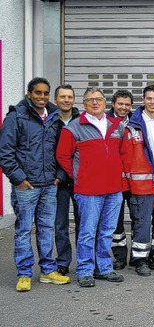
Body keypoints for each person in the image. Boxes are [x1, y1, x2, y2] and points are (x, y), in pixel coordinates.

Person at [0, 77, 71, 292]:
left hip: (50, 184)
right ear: (29, 93)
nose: (42, 97)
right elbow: (5, 152)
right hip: (27, 187)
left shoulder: (53, 117)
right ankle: (24, 274)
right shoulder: (16, 117)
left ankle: (48, 271)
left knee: (46, 229)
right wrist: (19, 179)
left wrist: (59, 174)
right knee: (23, 230)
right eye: (38, 93)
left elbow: (61, 150)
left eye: (45, 93)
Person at [56, 87, 126, 287]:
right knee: (87, 231)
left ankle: (103, 267)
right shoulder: (74, 127)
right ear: (84, 104)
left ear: (105, 103)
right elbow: (62, 156)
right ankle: (85, 270)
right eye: (90, 100)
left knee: (107, 231)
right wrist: (79, 175)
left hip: (113, 188)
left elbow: (122, 153)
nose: (95, 103)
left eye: (99, 99)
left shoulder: (117, 126)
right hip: (88, 190)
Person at [121, 85, 154, 276]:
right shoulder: (134, 124)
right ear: (143, 100)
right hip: (142, 181)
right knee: (142, 222)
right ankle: (140, 260)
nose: (152, 102)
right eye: (149, 98)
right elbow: (126, 158)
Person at [52, 84, 80, 276]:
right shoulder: (50, 121)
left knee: (83, 222)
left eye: (69, 97)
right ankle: (63, 261)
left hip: (79, 180)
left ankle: (84, 260)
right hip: (58, 181)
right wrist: (58, 175)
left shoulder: (82, 120)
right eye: (62, 97)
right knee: (61, 223)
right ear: (56, 100)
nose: (66, 100)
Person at [107, 90, 134, 270]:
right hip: (113, 181)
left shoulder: (137, 121)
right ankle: (119, 257)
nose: (123, 107)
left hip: (134, 181)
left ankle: (139, 256)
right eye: (120, 104)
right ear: (113, 104)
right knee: (115, 222)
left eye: (127, 104)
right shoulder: (105, 122)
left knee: (138, 219)